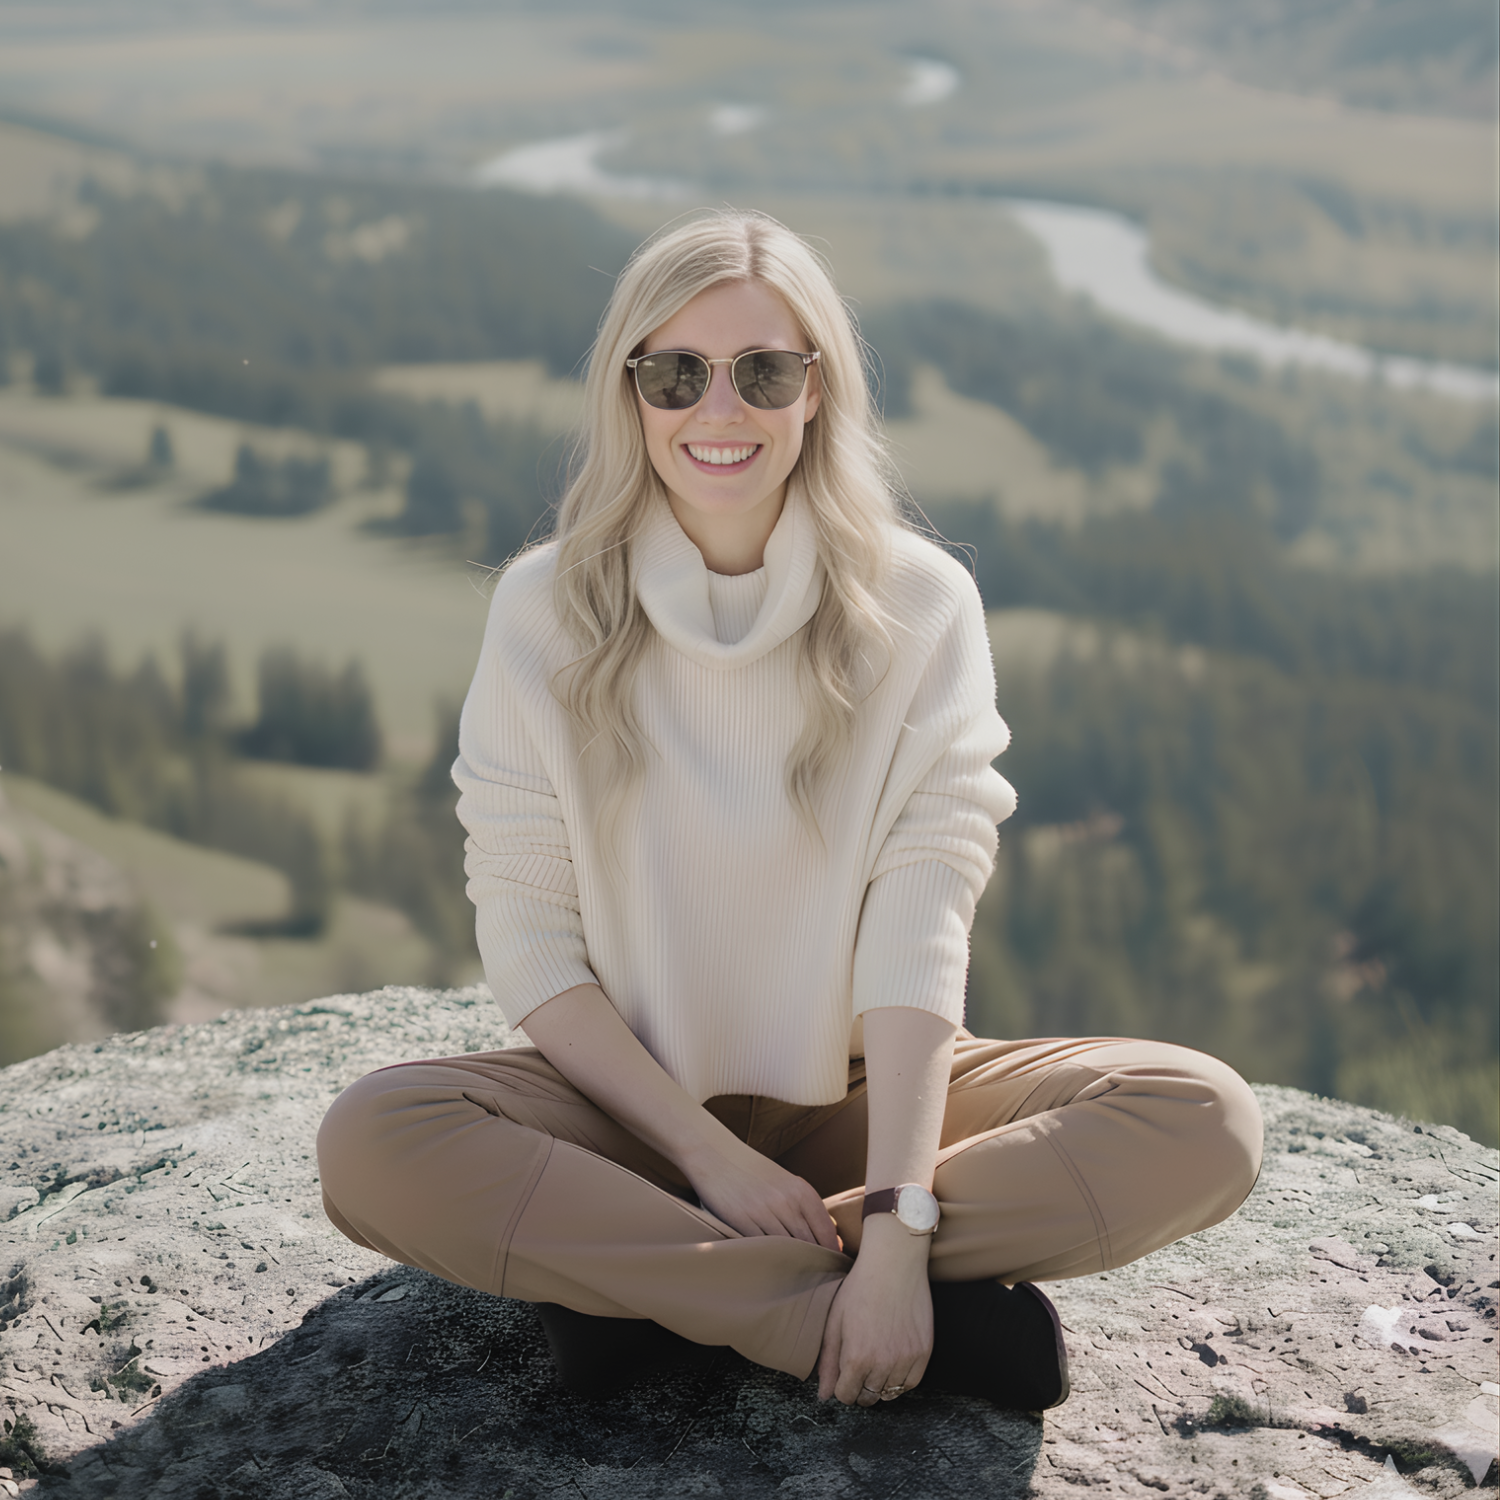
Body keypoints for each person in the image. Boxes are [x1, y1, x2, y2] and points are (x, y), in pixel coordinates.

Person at [317, 211, 1263, 1411]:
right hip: (633, 1115)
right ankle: (825, 1315)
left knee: (1204, 1121)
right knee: (375, 1140)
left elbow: (923, 929)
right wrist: (711, 1163)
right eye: (677, 374)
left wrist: (901, 1216)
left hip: (857, 1104)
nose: (721, 411)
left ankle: (647, 1293)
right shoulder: (542, 608)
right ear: (630, 393)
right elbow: (530, 937)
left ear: (818, 390)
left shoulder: (922, 605)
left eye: (765, 371)